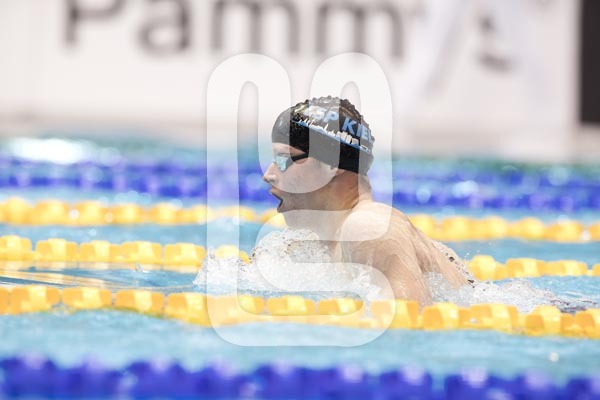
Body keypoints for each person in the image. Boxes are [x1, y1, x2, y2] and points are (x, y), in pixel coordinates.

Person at [262, 96, 472, 305]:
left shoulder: (369, 229)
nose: (268, 175)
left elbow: (407, 320)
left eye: (284, 159)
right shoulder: (323, 245)